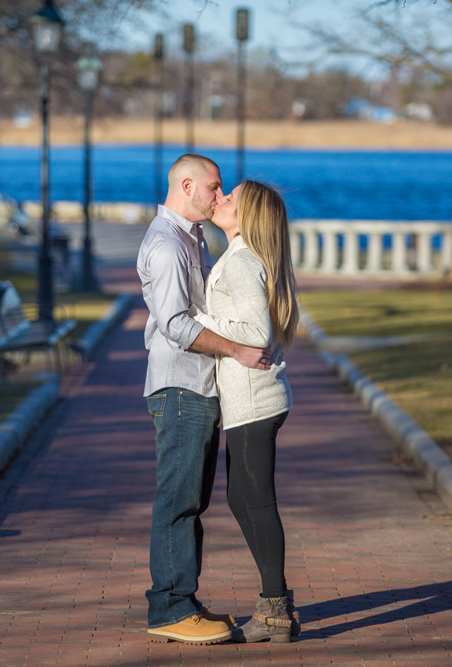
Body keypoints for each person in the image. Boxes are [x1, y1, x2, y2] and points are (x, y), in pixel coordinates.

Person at [138, 154, 272, 645]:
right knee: (178, 500)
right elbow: (175, 325)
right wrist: (238, 348)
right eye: (213, 188)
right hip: (181, 388)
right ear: (187, 184)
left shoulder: (189, 237)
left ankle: (182, 600)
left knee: (191, 500)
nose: (219, 197)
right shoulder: (166, 244)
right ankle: (170, 607)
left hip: (197, 387)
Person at [191, 180, 301, 643]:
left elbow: (255, 332)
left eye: (229, 198)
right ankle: (277, 605)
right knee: (241, 499)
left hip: (256, 401)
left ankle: (276, 607)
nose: (219, 200)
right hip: (247, 402)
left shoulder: (240, 261)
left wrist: (196, 319)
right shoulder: (241, 257)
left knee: (256, 501)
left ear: (247, 215)